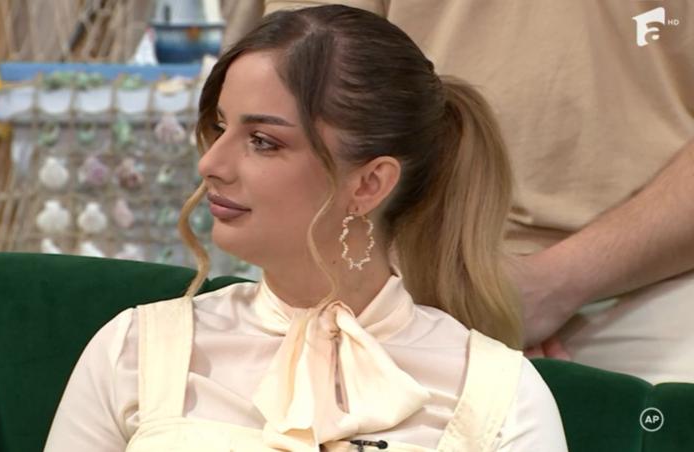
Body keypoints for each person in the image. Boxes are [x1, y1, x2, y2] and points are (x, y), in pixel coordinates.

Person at [44, 5, 568, 451]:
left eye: (263, 141)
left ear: (369, 184)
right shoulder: (133, 350)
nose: (211, 164)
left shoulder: (499, 393)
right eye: (221, 127)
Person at [220, 0, 694, 384]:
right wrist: (424, 285)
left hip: (654, 282)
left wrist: (552, 285)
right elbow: (298, 84)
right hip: (387, 264)